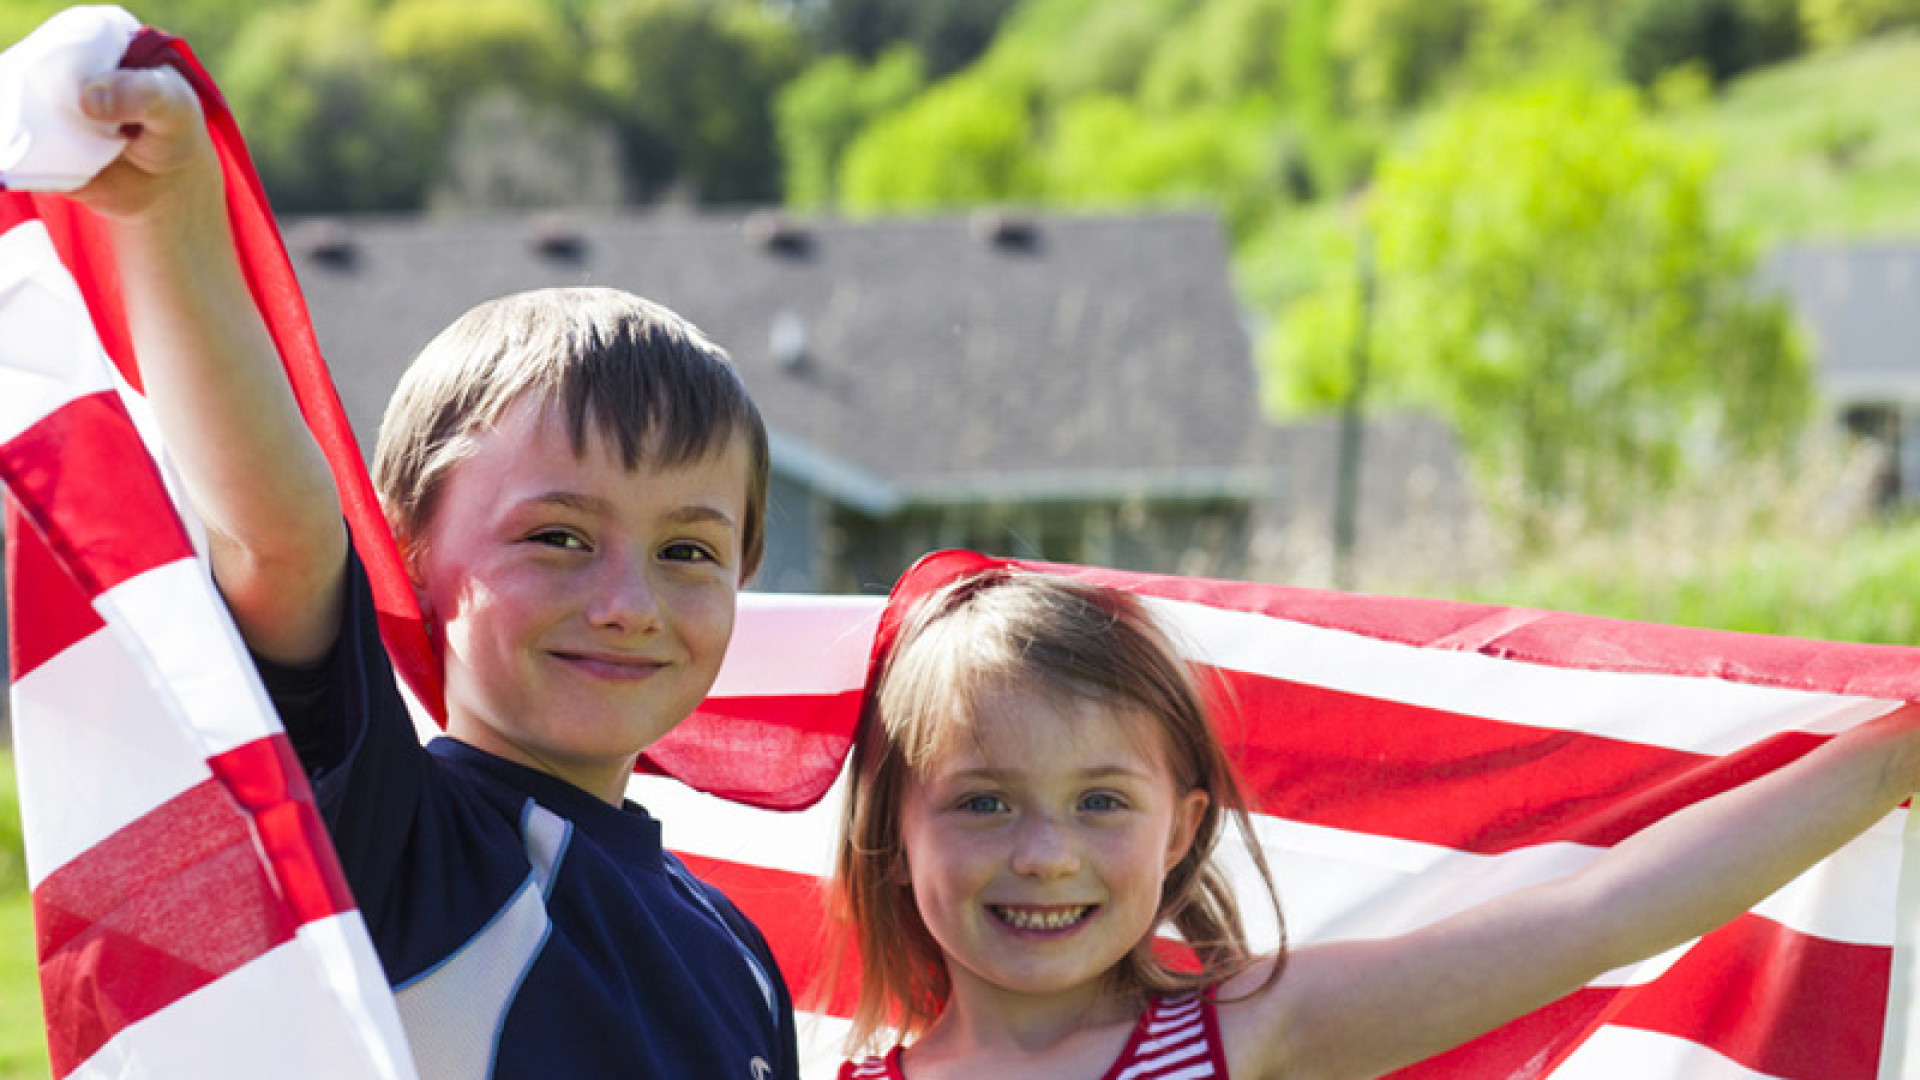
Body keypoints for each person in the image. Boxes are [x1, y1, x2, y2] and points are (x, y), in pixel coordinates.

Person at [70, 62, 798, 1080]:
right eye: (558, 537)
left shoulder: (738, 953)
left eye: (687, 551)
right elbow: (276, 537)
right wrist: (168, 219)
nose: (628, 604)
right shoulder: (391, 836)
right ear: (405, 549)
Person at [831, 568, 1920, 1080]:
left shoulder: (1254, 1029)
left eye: (1101, 800)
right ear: (894, 833)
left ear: (1180, 831)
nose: (1044, 853)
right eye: (983, 801)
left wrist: (1891, 762)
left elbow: (1601, 916)